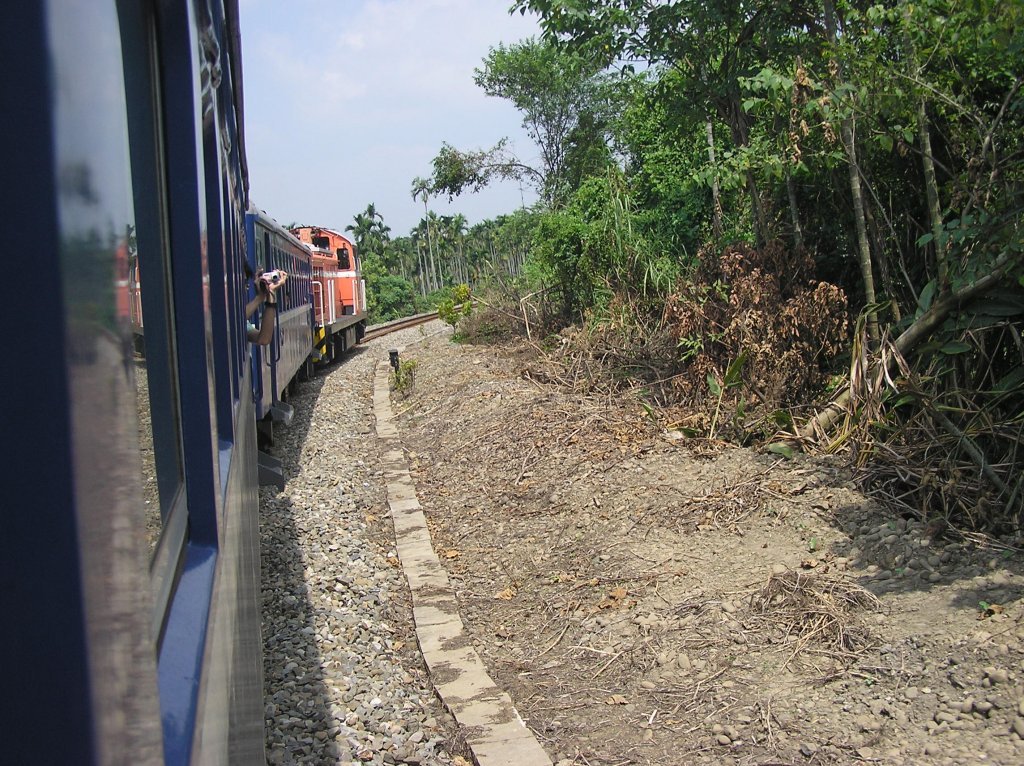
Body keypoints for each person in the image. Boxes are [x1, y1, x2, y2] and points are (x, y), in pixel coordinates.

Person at [245, 266, 288, 345]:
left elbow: (264, 339)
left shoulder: (244, 323)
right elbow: (236, 320)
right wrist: (259, 298)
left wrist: (269, 295)